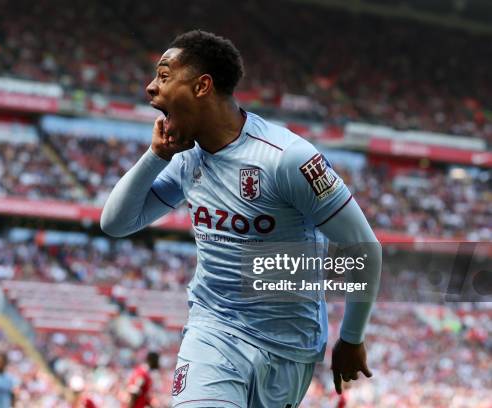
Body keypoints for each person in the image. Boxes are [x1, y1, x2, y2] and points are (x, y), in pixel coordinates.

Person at [101, 30, 381, 408]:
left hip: (288, 346)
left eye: (164, 76)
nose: (151, 88)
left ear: (202, 86)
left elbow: (364, 248)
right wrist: (156, 156)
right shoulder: (185, 158)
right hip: (212, 330)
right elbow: (116, 223)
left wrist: (351, 338)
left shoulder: (286, 158)